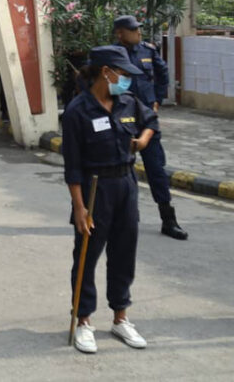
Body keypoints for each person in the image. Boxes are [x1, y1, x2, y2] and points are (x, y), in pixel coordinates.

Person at [61, 45, 158, 354]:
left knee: (124, 252)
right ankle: (84, 321)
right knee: (87, 255)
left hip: (126, 183)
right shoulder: (78, 110)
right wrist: (79, 207)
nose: (127, 79)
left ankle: (120, 317)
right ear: (107, 72)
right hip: (94, 187)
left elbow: (152, 121)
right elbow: (72, 166)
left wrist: (142, 139)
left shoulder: (129, 102)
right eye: (123, 73)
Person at [113, 15, 188, 241]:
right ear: (120, 33)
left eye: (138, 29)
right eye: (133, 30)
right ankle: (121, 219)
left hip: (147, 118)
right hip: (121, 119)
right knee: (119, 170)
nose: (138, 33)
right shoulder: (112, 54)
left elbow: (162, 73)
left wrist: (157, 99)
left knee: (156, 168)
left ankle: (168, 219)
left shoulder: (148, 50)